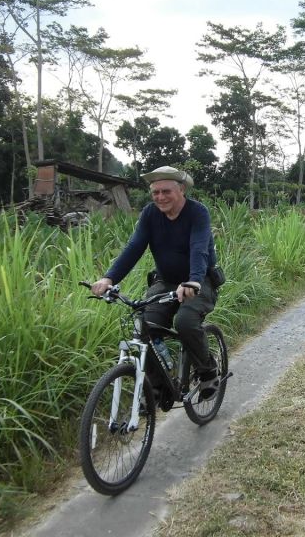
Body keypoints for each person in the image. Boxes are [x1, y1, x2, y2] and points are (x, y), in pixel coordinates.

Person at [90, 165, 220, 400]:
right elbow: (134, 248)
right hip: (166, 281)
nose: (160, 197)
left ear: (181, 189)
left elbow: (199, 249)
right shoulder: (150, 214)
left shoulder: (197, 212)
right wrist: (109, 277)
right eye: (155, 192)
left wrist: (193, 281)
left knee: (185, 320)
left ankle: (207, 369)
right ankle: (160, 389)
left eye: (166, 191)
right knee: (144, 325)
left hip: (200, 281)